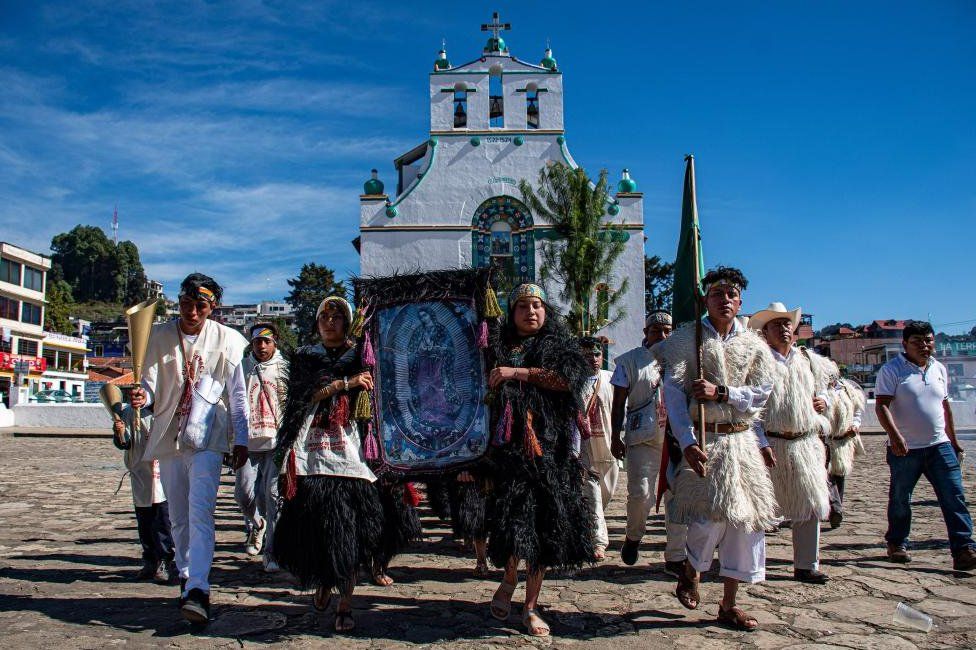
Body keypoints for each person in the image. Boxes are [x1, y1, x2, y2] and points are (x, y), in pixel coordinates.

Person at [271, 296, 411, 633]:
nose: (330, 322)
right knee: (316, 527)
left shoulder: (364, 354)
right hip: (313, 452)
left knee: (351, 530)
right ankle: (323, 581)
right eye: (324, 316)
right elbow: (303, 394)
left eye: (337, 316)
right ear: (317, 322)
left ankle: (345, 602)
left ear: (348, 321)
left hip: (354, 453)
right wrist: (345, 384)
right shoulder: (306, 356)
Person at [655, 267, 778, 632]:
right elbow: (675, 396)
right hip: (707, 440)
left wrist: (723, 393)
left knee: (746, 523)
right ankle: (692, 567)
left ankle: (729, 604)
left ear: (740, 301)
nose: (724, 300)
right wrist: (688, 441)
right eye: (717, 294)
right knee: (708, 517)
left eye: (731, 294)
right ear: (705, 300)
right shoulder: (685, 340)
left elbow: (762, 391)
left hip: (741, 440)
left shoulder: (754, 345)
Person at [131, 273, 250, 625]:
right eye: (186, 304)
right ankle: (185, 573)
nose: (192, 312)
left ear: (213, 307)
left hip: (208, 439)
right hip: (170, 438)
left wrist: (240, 438)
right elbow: (151, 387)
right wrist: (144, 397)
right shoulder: (159, 336)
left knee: (201, 512)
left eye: (200, 306)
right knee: (178, 516)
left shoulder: (229, 340)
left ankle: (199, 587)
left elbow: (238, 395)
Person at [485, 283, 593, 637]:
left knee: (544, 531)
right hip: (509, 453)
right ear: (511, 312)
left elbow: (566, 381)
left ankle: (530, 606)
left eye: (537, 305)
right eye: (522, 306)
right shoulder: (497, 348)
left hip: (551, 453)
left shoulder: (560, 347)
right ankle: (509, 576)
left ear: (546, 312)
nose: (531, 312)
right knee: (514, 523)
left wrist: (517, 373)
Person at [875, 320, 976, 570]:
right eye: (917, 341)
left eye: (928, 340)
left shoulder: (938, 368)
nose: (924, 346)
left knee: (954, 496)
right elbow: (882, 406)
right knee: (901, 499)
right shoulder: (893, 370)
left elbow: (944, 406)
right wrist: (896, 437)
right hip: (906, 449)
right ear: (905, 344)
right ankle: (897, 542)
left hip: (939, 446)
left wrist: (953, 441)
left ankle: (963, 549)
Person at [749, 302, 834, 584]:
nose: (784, 329)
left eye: (787, 324)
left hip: (805, 443)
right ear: (764, 332)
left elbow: (830, 392)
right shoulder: (757, 364)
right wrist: (760, 443)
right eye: (776, 324)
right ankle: (752, 565)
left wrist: (826, 401)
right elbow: (751, 410)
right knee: (760, 506)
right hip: (771, 442)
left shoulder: (810, 362)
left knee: (810, 504)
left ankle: (807, 564)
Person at [610, 310, 682, 572]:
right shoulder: (629, 361)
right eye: (656, 331)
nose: (662, 336)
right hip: (643, 437)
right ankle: (633, 535)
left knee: (678, 496)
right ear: (646, 333)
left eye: (667, 331)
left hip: (676, 438)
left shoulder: (681, 360)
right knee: (641, 494)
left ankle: (675, 555)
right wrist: (615, 437)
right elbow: (618, 405)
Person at [101, 385, 176, 583]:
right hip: (140, 473)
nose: (136, 398)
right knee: (145, 521)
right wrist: (119, 432)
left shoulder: (162, 412)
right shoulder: (126, 414)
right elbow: (124, 443)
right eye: (133, 394)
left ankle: (165, 559)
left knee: (163, 521)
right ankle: (149, 559)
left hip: (160, 472)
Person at [236, 323, 288, 571]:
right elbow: (233, 403)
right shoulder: (242, 368)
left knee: (273, 495)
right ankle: (257, 525)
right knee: (244, 494)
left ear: (275, 342)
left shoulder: (284, 368)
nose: (263, 346)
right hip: (249, 441)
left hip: (276, 440)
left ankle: (272, 552)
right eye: (258, 342)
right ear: (252, 343)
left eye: (267, 341)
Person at [578, 336, 619, 561]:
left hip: (609, 446)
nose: (593, 359)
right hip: (586, 448)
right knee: (592, 493)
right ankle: (598, 542)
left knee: (606, 494)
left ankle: (588, 527)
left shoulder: (612, 380)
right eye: (587, 355)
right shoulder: (574, 382)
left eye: (596, 354)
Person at [826, 376, 866, 528]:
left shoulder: (848, 390)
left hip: (843, 439)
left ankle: (837, 508)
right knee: (826, 475)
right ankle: (835, 508)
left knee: (839, 475)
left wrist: (855, 425)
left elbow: (856, 411)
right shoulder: (819, 390)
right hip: (825, 439)